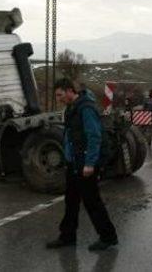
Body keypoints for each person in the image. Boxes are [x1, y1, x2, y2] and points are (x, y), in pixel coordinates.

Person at [46, 78, 118, 251]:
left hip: (85, 164)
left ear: (70, 91)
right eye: (57, 95)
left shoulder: (86, 108)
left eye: (60, 95)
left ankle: (108, 237)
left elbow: (94, 136)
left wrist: (90, 164)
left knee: (92, 202)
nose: (58, 99)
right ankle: (67, 236)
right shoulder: (72, 108)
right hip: (74, 163)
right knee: (71, 201)